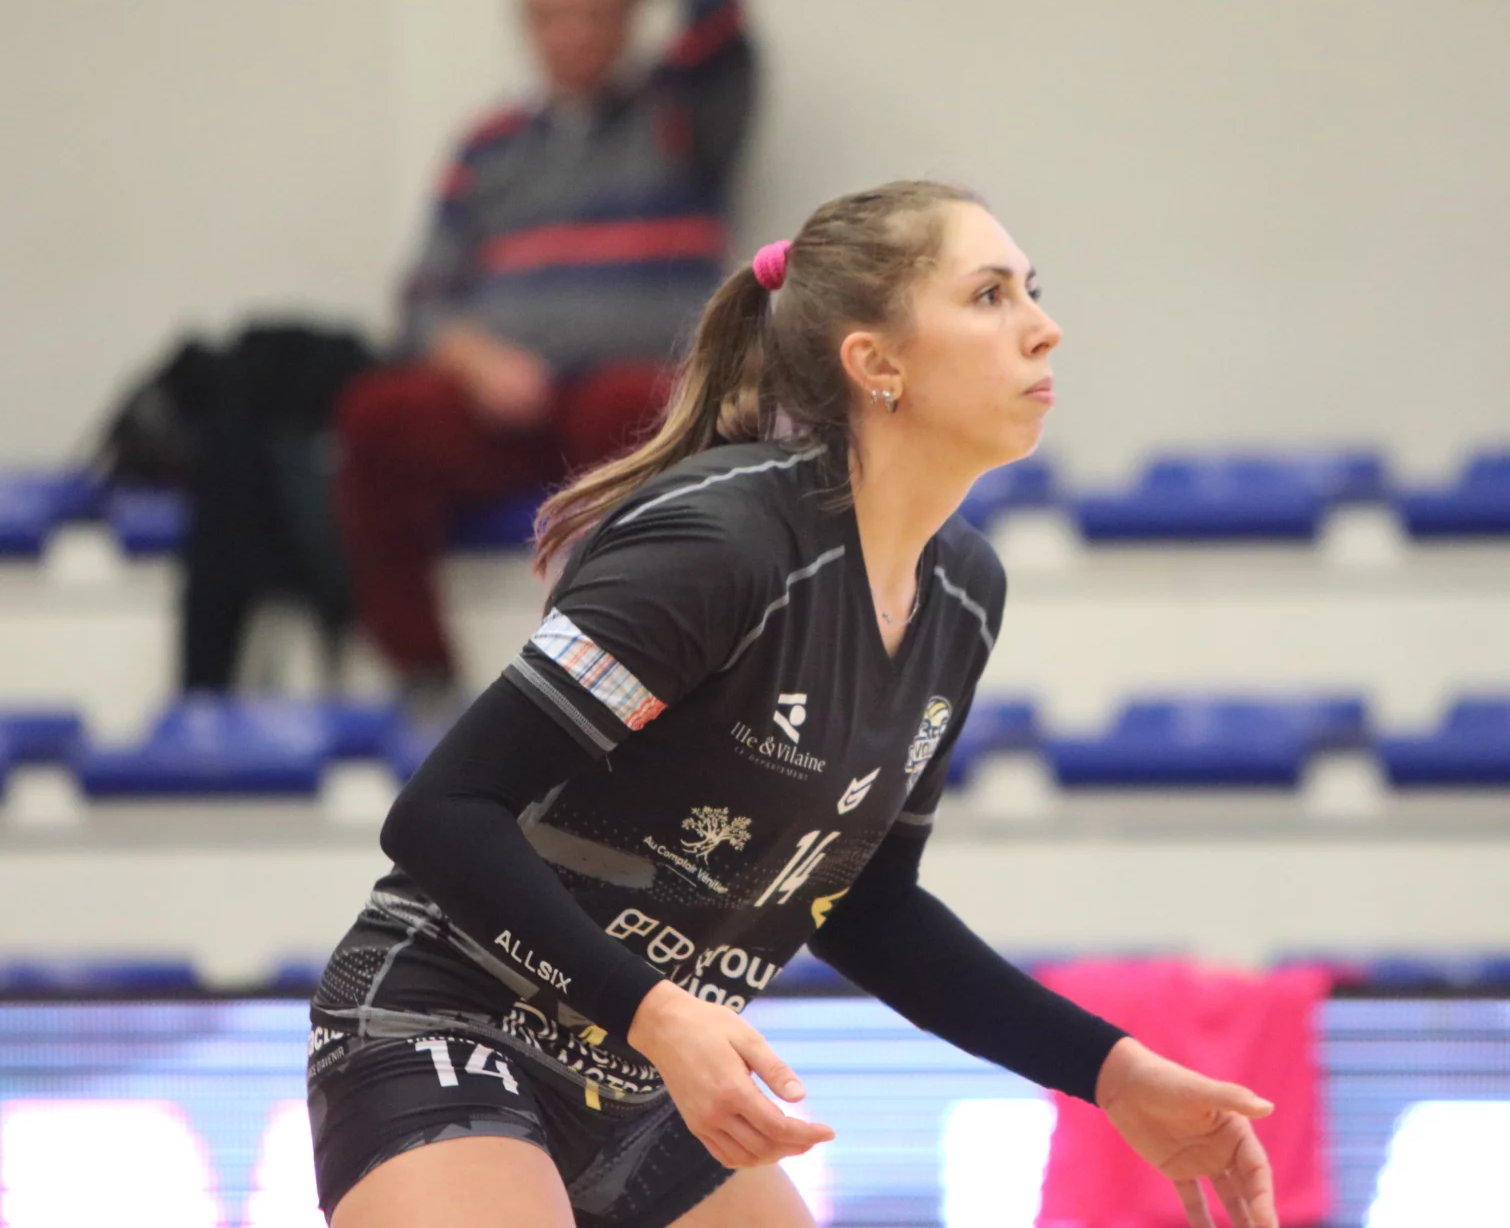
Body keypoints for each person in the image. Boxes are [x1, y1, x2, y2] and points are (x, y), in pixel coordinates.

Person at [307, 181, 1280, 1228]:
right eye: (991, 296)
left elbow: (866, 907)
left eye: (1031, 293)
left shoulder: (963, 592)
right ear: (877, 362)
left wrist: (1110, 1073)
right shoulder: (722, 545)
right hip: (452, 1023)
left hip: (646, 1076)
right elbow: (441, 813)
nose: (1044, 330)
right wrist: (658, 1016)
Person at [335, 0, 755, 705]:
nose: (571, 31)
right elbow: (422, 298)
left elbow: (725, 16)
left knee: (645, 410)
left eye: (593, 9)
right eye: (550, 12)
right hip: (502, 401)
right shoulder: (487, 144)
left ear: (630, 12)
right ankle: (424, 676)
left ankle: (617, 674)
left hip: (623, 409)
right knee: (376, 415)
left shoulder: (683, 121)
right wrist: (476, 360)